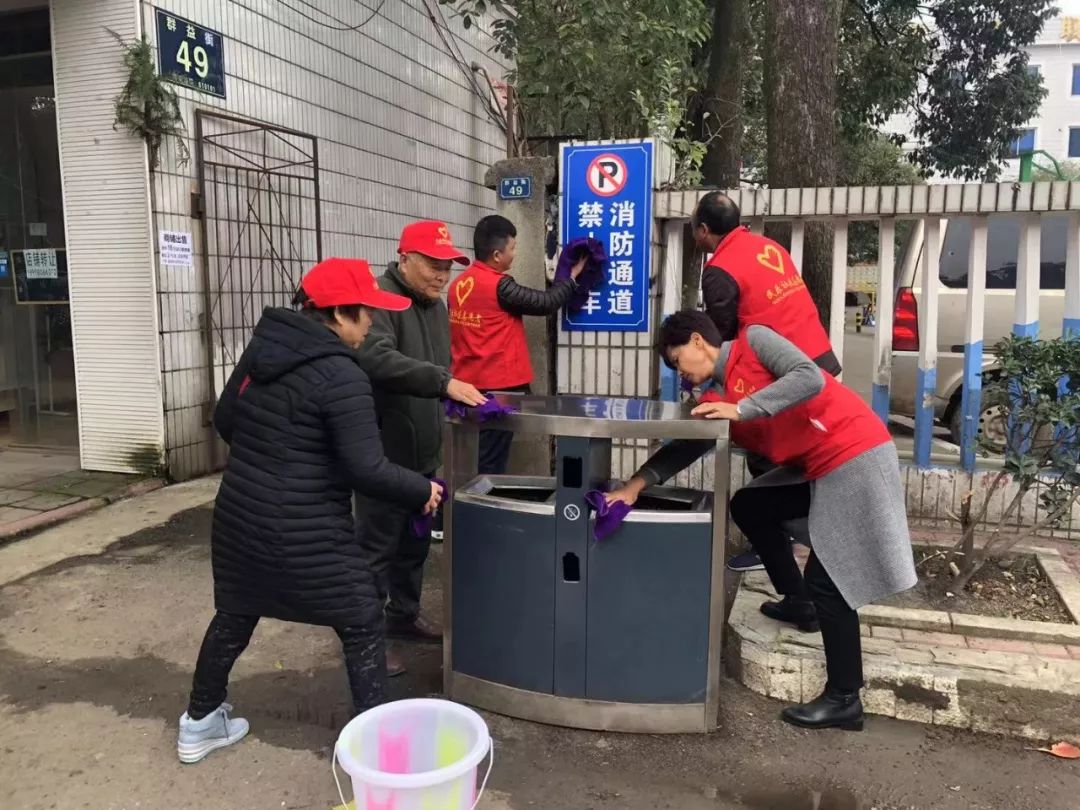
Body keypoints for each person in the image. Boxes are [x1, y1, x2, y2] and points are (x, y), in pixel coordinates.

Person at [177, 258, 443, 764]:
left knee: (235, 614)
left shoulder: (262, 349)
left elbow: (228, 419)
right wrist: (420, 489)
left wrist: (276, 455)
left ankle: (199, 722)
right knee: (364, 619)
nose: (370, 324)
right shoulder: (342, 374)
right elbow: (366, 468)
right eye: (366, 314)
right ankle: (372, 755)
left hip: (239, 516)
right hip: (307, 527)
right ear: (339, 313)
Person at [606, 311, 916, 731]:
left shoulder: (755, 341)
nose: (683, 374)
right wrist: (636, 484)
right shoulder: (716, 394)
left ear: (699, 342)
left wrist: (744, 408)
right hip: (816, 466)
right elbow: (686, 446)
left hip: (853, 455)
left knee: (830, 579)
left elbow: (809, 375)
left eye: (679, 362)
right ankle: (798, 601)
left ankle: (845, 698)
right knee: (751, 506)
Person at [355, 221, 485, 672]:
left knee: (413, 544)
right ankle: (365, 643)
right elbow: (376, 358)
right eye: (432, 264)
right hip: (383, 453)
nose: (441, 274)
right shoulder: (381, 299)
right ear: (404, 257)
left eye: (447, 266)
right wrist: (443, 382)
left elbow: (441, 366)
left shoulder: (435, 305)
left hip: (424, 450)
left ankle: (403, 616)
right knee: (375, 549)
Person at [693, 191, 842, 573]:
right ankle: (802, 548)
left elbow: (720, 338)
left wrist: (707, 383)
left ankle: (775, 541)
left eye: (695, 229)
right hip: (817, 357)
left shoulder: (720, 268)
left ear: (704, 230)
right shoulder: (766, 246)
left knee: (767, 448)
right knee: (799, 455)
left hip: (781, 370)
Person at [449, 214, 587, 475]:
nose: (515, 254)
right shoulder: (500, 286)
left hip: (465, 386)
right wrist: (571, 278)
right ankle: (483, 509)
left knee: (477, 455)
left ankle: (472, 504)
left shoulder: (456, 286)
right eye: (512, 248)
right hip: (498, 390)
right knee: (490, 462)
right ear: (497, 254)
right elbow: (545, 303)